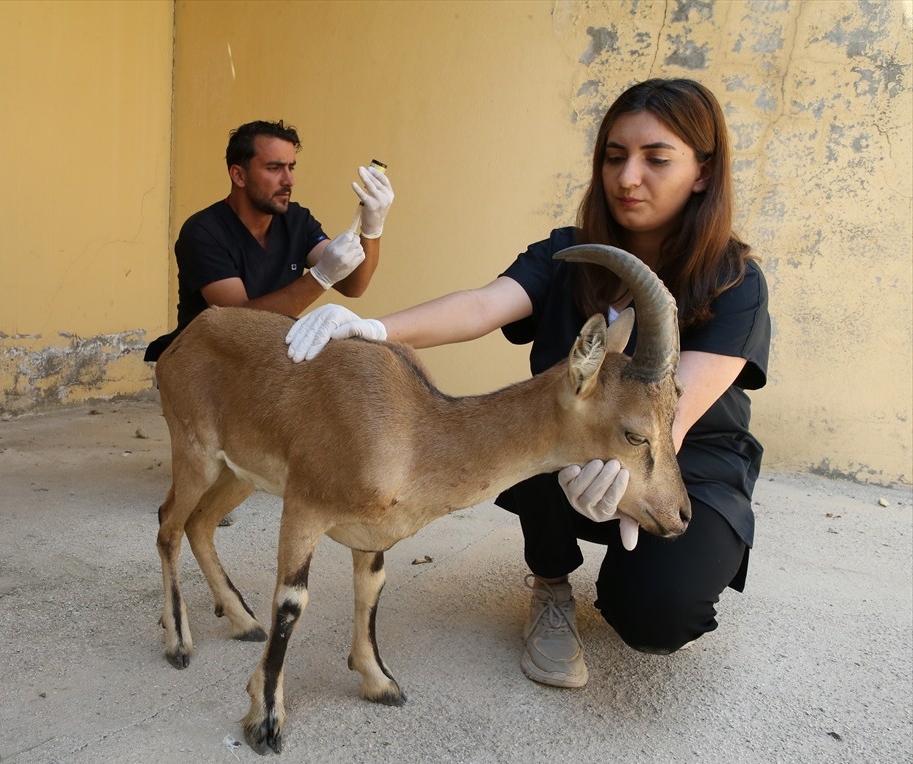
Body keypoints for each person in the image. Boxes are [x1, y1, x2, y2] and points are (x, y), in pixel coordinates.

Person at [284, 78, 770, 689]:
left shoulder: (735, 281)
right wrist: (372, 327)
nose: (627, 178)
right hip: (572, 446)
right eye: (614, 157)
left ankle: (640, 578)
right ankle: (550, 583)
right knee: (531, 421)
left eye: (656, 159)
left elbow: (671, 414)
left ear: (702, 171)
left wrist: (623, 473)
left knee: (656, 616)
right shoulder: (569, 253)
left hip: (681, 456)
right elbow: (482, 306)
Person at [144, 119, 394, 362]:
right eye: (274, 168)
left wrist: (372, 229)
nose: (289, 181)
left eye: (291, 167)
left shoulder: (297, 220)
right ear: (238, 176)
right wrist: (320, 277)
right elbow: (237, 323)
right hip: (206, 367)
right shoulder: (203, 232)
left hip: (266, 361)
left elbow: (353, 286)